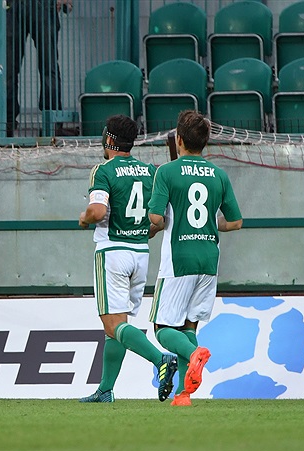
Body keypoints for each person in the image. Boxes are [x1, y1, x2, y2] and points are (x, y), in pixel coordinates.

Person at [78, 115, 178, 403]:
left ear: (109, 139)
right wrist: (141, 231)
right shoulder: (149, 171)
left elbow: (97, 212)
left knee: (112, 325)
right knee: (117, 328)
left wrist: (84, 219)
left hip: (113, 253)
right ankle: (105, 390)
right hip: (140, 254)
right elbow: (159, 221)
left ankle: (161, 359)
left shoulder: (103, 170)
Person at [148, 110, 242, 406]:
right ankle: (183, 394)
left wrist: (152, 228)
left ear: (178, 139)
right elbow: (236, 222)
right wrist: (212, 226)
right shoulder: (219, 174)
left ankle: (193, 355)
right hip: (208, 261)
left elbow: (155, 217)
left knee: (163, 331)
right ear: (205, 143)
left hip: (179, 260)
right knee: (188, 327)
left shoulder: (167, 171)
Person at [6, 0, 70, 135]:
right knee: (9, 69)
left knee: (48, 66)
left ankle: (52, 121)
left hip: (42, 5)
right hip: (15, 6)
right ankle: (7, 121)